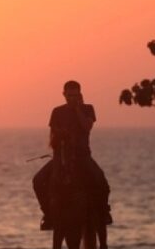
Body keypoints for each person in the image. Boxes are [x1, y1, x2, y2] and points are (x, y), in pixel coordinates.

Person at [33, 80, 112, 229]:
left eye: (75, 95)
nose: (72, 98)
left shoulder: (88, 109)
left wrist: (77, 109)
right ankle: (48, 215)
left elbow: (87, 127)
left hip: (83, 156)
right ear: (64, 94)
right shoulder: (57, 112)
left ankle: (104, 213)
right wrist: (61, 138)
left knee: (101, 180)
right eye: (69, 95)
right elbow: (52, 137)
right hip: (61, 157)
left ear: (80, 94)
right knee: (37, 180)